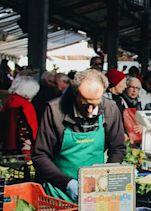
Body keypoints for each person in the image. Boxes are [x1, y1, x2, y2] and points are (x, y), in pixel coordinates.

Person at [32, 69, 125, 202]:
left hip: (96, 191)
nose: (90, 111)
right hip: (58, 192)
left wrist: (106, 177)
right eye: (85, 104)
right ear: (76, 94)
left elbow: (118, 148)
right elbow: (40, 155)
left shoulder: (110, 109)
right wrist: (68, 183)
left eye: (95, 105)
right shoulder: (55, 111)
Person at [1, 76, 40, 156]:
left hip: (6, 146)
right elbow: (31, 130)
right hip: (22, 150)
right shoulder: (26, 105)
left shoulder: (9, 101)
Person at [122, 77, 143, 145]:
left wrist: (142, 126)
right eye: (132, 87)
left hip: (138, 140)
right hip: (125, 139)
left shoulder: (139, 104)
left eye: (137, 88)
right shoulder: (120, 102)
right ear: (126, 87)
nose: (134, 90)